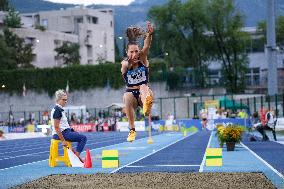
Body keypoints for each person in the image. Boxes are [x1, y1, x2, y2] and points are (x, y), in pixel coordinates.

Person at [121, 22, 154, 142]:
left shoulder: (143, 59)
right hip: (132, 97)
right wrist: (128, 63)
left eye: (136, 51)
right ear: (127, 53)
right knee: (127, 95)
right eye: (131, 52)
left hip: (144, 94)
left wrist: (149, 35)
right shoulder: (125, 65)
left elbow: (146, 46)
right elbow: (124, 65)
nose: (134, 54)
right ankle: (132, 130)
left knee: (143, 87)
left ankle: (146, 105)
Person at [51, 89, 87, 162]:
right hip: (61, 134)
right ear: (58, 99)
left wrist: (71, 130)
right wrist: (63, 140)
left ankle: (75, 156)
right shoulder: (57, 110)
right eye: (64, 100)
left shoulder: (59, 109)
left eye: (66, 100)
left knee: (78, 134)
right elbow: (56, 127)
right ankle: (75, 158)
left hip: (65, 132)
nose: (65, 102)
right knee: (83, 138)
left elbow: (62, 125)